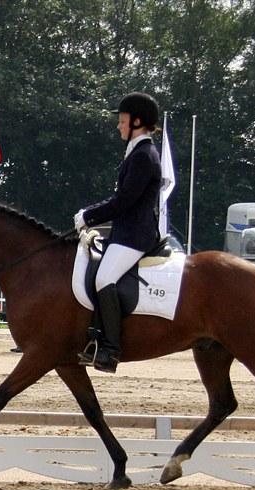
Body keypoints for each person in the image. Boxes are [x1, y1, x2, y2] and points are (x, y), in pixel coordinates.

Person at [73, 92, 162, 373]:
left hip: (136, 236)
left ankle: (110, 350)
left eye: (122, 121)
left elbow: (124, 201)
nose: (118, 126)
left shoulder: (143, 156)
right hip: (126, 232)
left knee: (104, 278)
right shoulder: (137, 153)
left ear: (137, 122)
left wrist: (89, 215)